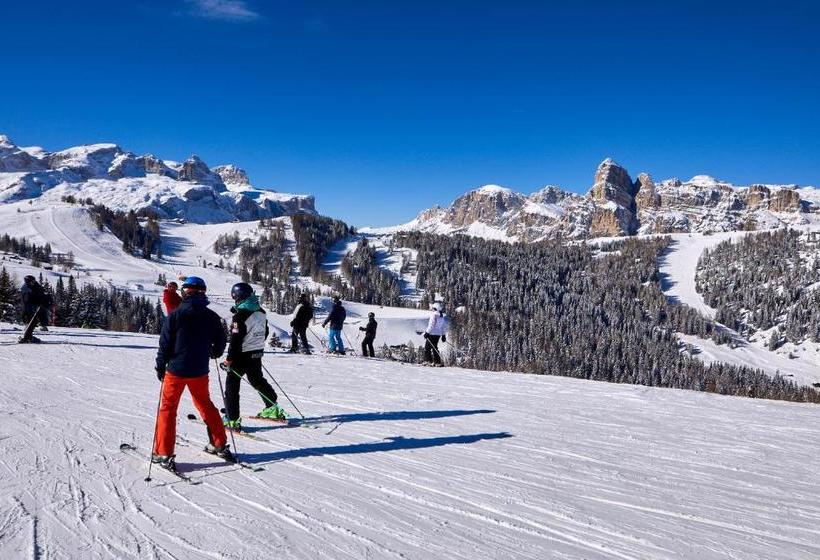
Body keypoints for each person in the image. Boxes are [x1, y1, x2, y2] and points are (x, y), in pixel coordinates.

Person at [154, 276, 232, 472]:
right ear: (203, 293)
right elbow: (221, 341)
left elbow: (165, 343)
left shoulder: (176, 314)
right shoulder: (211, 316)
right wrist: (214, 352)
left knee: (168, 409)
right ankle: (219, 444)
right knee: (205, 404)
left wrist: (160, 365)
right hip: (199, 370)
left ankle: (163, 453)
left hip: (176, 370)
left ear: (185, 292)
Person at [222, 282, 285, 431]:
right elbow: (266, 331)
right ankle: (272, 407)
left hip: (241, 355)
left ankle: (232, 419)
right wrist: (255, 344)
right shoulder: (261, 311)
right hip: (256, 352)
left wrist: (229, 359)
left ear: (238, 297)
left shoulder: (240, 316)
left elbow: (235, 340)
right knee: (257, 380)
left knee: (232, 386)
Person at [19, 275, 49, 343]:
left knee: (33, 322)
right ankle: (27, 337)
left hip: (34, 307)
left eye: (34, 281)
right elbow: (27, 300)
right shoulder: (26, 289)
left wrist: (43, 299)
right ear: (28, 281)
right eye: (32, 281)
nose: (34, 282)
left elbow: (40, 293)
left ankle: (28, 336)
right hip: (28, 308)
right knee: (31, 322)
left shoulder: (34, 286)